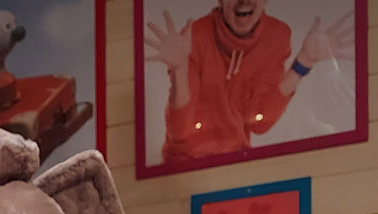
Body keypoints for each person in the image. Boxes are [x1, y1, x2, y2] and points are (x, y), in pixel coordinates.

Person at [146, 1, 355, 164]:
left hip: (236, 164)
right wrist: (180, 69)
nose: (243, 0)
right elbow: (181, 131)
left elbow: (260, 122)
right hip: (185, 166)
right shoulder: (194, 37)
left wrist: (304, 62)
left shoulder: (276, 35)